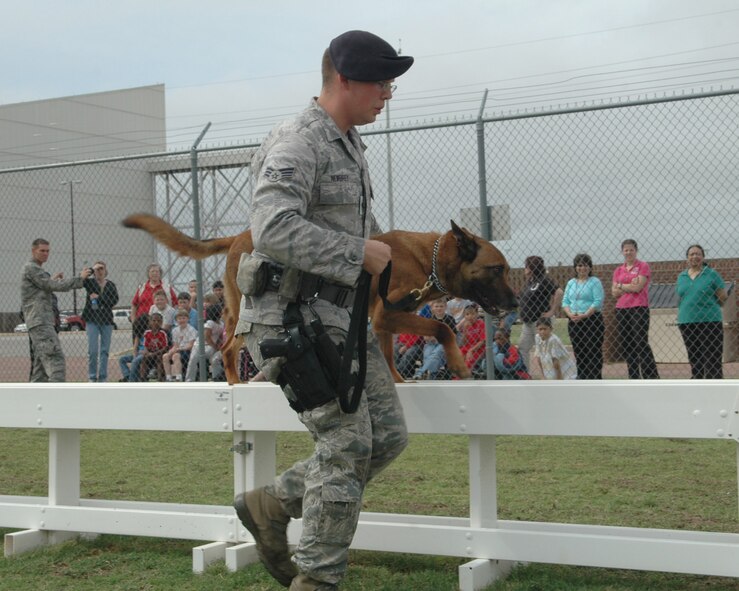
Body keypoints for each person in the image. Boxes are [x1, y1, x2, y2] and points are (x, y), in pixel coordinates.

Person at [232, 30, 413, 590]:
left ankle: (272, 504)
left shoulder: (349, 143)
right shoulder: (298, 140)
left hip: (341, 318)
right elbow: (273, 227)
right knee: (346, 440)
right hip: (293, 320)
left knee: (385, 436)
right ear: (343, 79)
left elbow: (346, 227)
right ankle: (317, 580)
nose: (387, 93)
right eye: (381, 82)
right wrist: (356, 252)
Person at [21, 238, 92, 382]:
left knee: (40, 365)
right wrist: (80, 278)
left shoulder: (35, 269)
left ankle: (35, 398)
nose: (46, 254)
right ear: (33, 251)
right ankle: (57, 395)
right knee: (55, 359)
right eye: (42, 251)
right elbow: (53, 286)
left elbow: (42, 288)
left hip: (39, 320)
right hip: (40, 321)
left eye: (47, 251)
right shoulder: (31, 268)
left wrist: (52, 280)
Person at [676, 244, 730, 379]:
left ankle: (715, 385)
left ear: (703, 256)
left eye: (698, 254)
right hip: (687, 321)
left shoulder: (711, 274)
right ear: (687, 258)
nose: (695, 256)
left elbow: (722, 296)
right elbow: (681, 296)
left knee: (712, 357)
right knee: (694, 356)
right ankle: (697, 381)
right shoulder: (681, 276)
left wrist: (709, 306)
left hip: (710, 321)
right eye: (691, 254)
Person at [611, 239, 659, 379]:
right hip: (621, 309)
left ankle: (650, 376)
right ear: (622, 252)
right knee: (627, 344)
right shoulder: (618, 270)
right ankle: (633, 376)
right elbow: (614, 293)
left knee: (640, 342)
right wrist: (626, 286)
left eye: (631, 249)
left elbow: (638, 287)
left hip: (638, 308)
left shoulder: (643, 266)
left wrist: (621, 285)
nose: (628, 252)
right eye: (626, 250)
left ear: (636, 251)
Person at [516, 256, 563, 373]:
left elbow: (559, 292)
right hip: (528, 323)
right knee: (523, 348)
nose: (524, 268)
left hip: (540, 322)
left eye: (526, 266)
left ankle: (551, 375)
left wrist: (552, 311)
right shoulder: (530, 281)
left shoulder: (543, 280)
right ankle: (527, 374)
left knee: (545, 350)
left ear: (532, 268)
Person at [562, 253, 605, 379]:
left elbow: (598, 301)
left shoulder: (594, 282)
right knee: (579, 352)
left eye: (586, 265)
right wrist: (570, 314)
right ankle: (582, 378)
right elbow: (565, 301)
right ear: (575, 267)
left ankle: (594, 379)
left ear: (590, 267)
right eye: (580, 265)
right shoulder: (571, 283)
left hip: (592, 321)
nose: (582, 268)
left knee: (593, 352)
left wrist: (585, 314)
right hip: (574, 321)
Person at [82, 261, 119, 382]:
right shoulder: (90, 283)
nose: (99, 271)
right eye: (97, 269)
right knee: (93, 350)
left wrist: (99, 298)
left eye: (101, 268)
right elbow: (81, 278)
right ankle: (92, 376)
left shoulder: (111, 285)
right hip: (92, 319)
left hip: (106, 320)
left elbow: (113, 300)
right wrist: (92, 269)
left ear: (106, 270)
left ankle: (103, 376)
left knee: (104, 350)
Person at [185, 304, 224, 382]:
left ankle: (216, 377)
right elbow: (207, 337)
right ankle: (189, 380)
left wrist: (218, 346)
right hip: (200, 345)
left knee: (214, 360)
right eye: (220, 311)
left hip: (212, 346)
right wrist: (215, 347)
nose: (222, 313)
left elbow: (220, 337)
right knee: (193, 360)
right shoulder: (209, 323)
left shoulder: (221, 324)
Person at [163, 309, 198, 381]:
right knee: (165, 356)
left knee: (176, 356)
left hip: (187, 350)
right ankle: (168, 377)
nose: (181, 320)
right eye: (179, 318)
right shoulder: (175, 330)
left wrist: (179, 349)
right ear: (176, 320)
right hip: (178, 349)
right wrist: (171, 351)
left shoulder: (192, 329)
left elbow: (191, 345)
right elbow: (175, 345)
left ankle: (178, 376)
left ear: (188, 319)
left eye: (184, 318)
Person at [118, 313, 149, 382]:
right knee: (122, 359)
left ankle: (131, 380)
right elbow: (135, 346)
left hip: (145, 354)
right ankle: (127, 375)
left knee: (136, 361)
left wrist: (142, 353)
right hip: (138, 353)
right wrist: (135, 355)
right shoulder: (139, 334)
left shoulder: (149, 333)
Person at [139, 312, 168, 381]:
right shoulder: (147, 332)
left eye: (158, 321)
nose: (156, 322)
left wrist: (154, 353)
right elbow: (145, 345)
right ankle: (142, 378)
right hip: (150, 352)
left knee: (158, 358)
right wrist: (146, 352)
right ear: (150, 322)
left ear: (161, 322)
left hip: (160, 352)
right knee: (144, 358)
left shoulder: (163, 333)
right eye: (154, 321)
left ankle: (160, 378)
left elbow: (165, 347)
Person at [458, 304, 486, 373]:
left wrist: (471, 350)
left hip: (479, 348)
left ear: (477, 314)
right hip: (467, 346)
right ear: (464, 316)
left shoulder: (481, 323)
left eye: (472, 314)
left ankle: (464, 377)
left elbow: (482, 341)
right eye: (467, 314)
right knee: (457, 359)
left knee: (468, 361)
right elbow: (464, 342)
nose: (470, 316)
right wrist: (464, 330)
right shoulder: (466, 325)